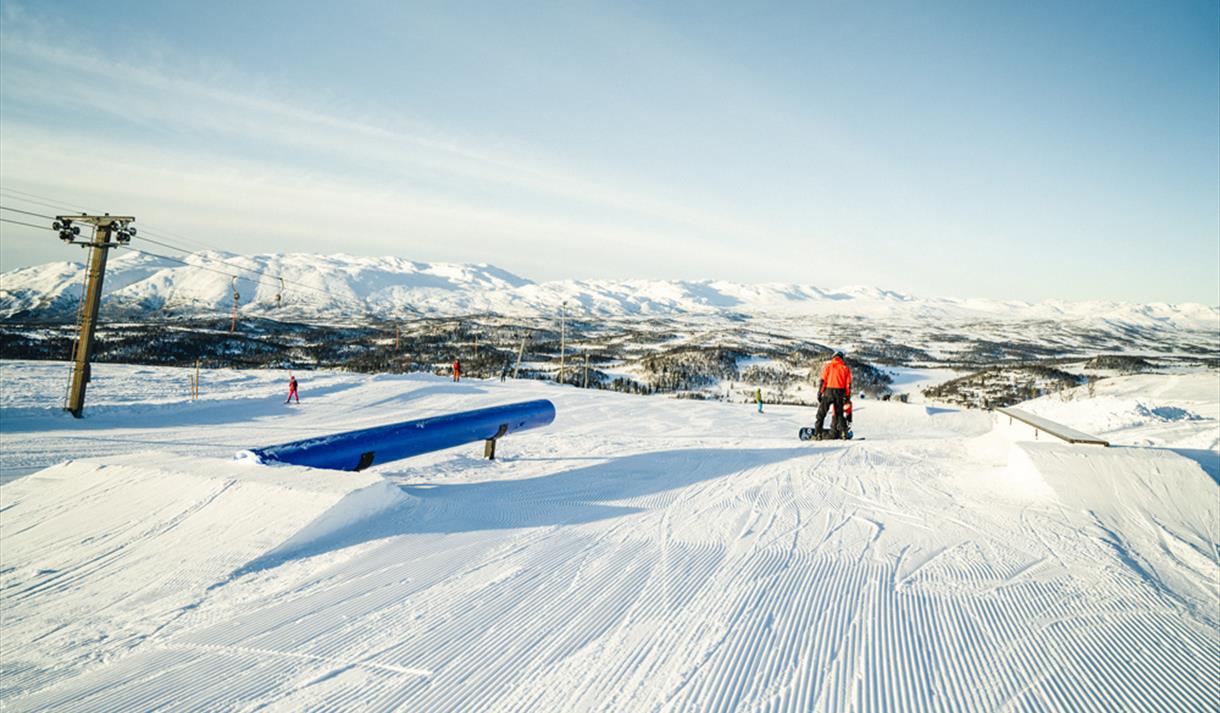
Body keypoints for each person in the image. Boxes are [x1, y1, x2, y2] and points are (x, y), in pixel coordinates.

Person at [813, 351, 852, 439]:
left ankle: (818, 432)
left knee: (821, 413)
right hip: (840, 392)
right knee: (839, 414)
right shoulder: (845, 368)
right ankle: (843, 433)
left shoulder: (829, 366)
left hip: (828, 391)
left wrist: (820, 393)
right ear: (842, 358)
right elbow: (848, 384)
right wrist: (847, 396)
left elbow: (823, 381)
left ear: (833, 357)